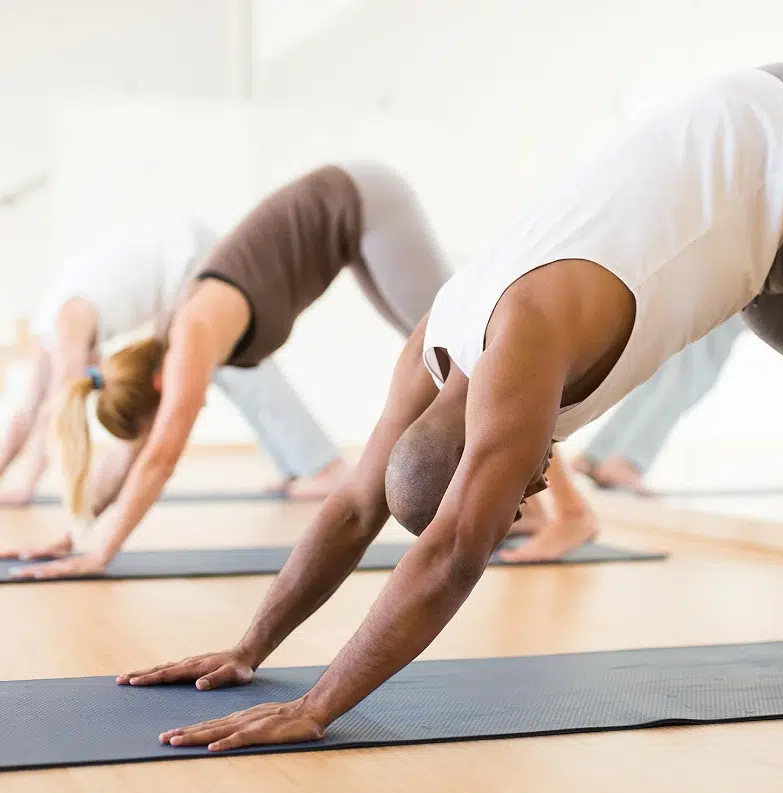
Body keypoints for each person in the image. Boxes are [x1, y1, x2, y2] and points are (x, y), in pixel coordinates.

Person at [119, 64, 783, 754]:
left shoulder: (520, 350)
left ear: (488, 456)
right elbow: (356, 506)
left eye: (511, 492)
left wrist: (317, 706)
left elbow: (449, 555)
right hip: (752, 213)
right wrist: (251, 644)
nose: (531, 493)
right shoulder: (434, 342)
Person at [5, 161, 452, 579]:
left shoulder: (190, 337)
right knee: (439, 353)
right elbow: (129, 457)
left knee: (460, 341)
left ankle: (498, 509)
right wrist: (74, 534)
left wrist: (101, 555)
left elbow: (159, 460)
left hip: (362, 198)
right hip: (348, 226)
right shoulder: (166, 350)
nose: (194, 411)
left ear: (158, 385)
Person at [0, 217, 348, 519]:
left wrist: (27, 484)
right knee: (233, 369)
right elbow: (27, 412)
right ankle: (294, 467)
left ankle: (325, 467)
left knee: (243, 369)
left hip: (189, 259)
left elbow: (57, 411)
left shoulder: (66, 326)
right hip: (180, 261)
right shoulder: (52, 329)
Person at [570, 316, 783, 494]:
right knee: (690, 376)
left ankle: (597, 455)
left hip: (709, 274)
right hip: (739, 281)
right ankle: (625, 462)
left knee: (667, 373)